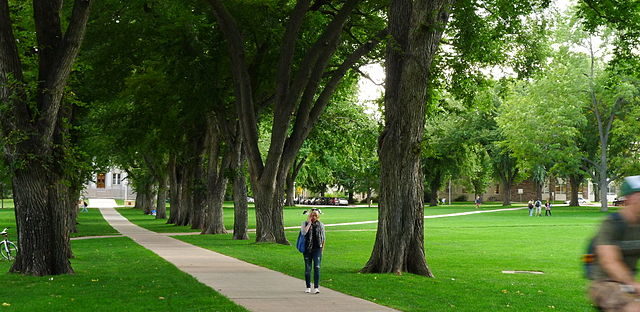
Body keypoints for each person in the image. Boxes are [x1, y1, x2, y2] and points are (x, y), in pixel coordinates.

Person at [588, 175, 640, 311]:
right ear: (631, 198)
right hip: (605, 284)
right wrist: (633, 284)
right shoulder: (612, 224)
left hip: (629, 284)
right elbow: (609, 262)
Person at [301, 210, 325, 294]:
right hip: (307, 249)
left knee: (317, 267)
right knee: (308, 269)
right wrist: (309, 223)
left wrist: (322, 250)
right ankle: (308, 287)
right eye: (312, 215)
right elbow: (304, 232)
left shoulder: (321, 225)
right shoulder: (304, 223)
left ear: (318, 217)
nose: (313, 217)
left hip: (317, 248)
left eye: (315, 216)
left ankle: (316, 287)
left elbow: (323, 238)